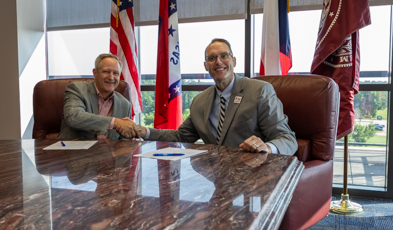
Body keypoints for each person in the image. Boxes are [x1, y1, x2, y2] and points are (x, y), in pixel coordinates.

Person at [121, 39, 297, 155]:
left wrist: (267, 147)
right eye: (212, 58)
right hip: (216, 175)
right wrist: (144, 131)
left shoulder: (260, 91)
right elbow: (181, 137)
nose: (218, 62)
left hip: (253, 175)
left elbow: (287, 139)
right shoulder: (200, 101)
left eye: (223, 56)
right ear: (206, 66)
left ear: (234, 61)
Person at [57, 53, 138, 140]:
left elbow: (123, 140)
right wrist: (114, 122)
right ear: (95, 72)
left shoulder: (125, 104)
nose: (111, 77)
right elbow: (74, 117)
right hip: (75, 151)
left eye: (116, 73)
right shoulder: (77, 89)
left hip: (109, 152)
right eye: (106, 71)